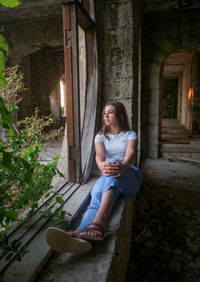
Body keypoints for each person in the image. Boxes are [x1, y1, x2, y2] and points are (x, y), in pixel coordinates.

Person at [46, 102, 143, 255]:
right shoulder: (100, 136)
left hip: (130, 177)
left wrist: (123, 165)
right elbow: (100, 158)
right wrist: (103, 166)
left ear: (121, 115)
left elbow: (129, 156)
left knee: (112, 166)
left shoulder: (130, 134)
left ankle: (100, 224)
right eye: (105, 113)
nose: (106, 115)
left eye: (110, 112)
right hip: (110, 176)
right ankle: (79, 235)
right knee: (96, 195)